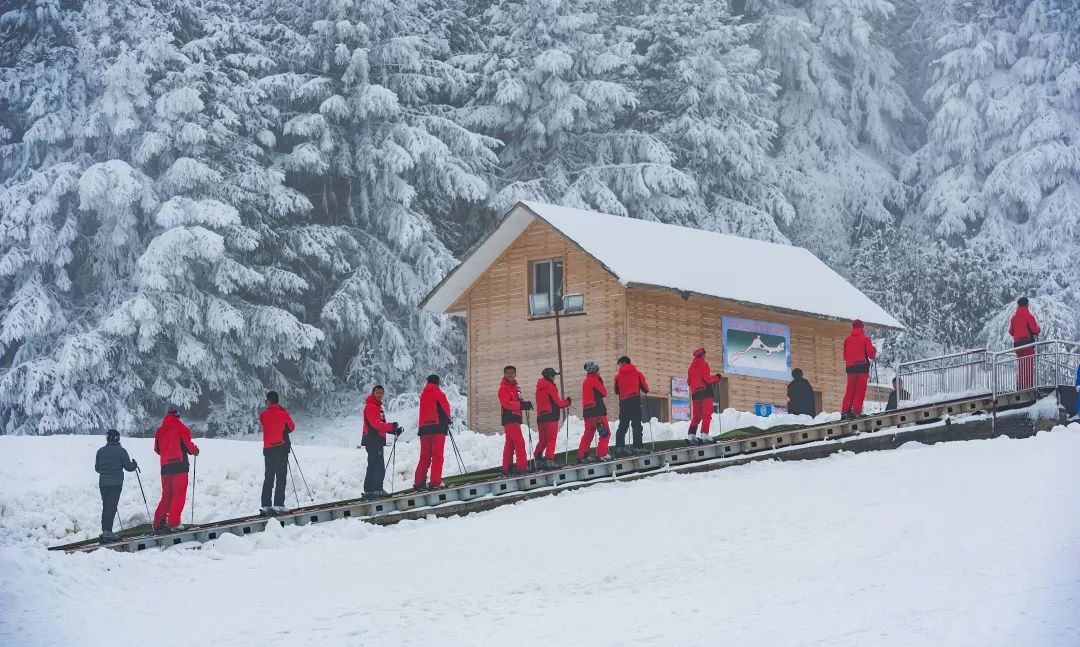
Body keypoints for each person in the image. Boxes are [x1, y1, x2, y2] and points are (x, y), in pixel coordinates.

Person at [153, 404, 199, 532]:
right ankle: (173, 523)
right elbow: (189, 447)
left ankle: (158, 523)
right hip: (179, 466)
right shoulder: (181, 428)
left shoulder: (160, 431)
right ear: (178, 415)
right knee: (178, 496)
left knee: (166, 496)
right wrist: (195, 451)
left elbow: (157, 450)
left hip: (165, 468)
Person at [94, 429, 138, 543]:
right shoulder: (121, 451)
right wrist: (135, 464)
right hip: (115, 483)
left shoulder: (100, 451)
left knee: (107, 507)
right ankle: (107, 532)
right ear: (117, 438)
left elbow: (97, 469)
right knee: (111, 507)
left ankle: (106, 531)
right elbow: (128, 467)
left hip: (103, 484)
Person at [258, 391, 296, 515]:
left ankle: (266, 505)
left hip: (268, 449)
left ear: (269, 401)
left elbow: (265, 423)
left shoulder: (263, 415)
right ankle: (279, 504)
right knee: (280, 477)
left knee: (268, 477)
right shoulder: (283, 413)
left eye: (266, 401)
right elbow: (291, 427)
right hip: (281, 448)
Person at [362, 385, 402, 500]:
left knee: (373, 465)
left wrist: (393, 430)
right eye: (377, 393)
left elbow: (380, 426)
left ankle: (370, 490)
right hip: (373, 439)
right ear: (373, 393)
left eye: (381, 393)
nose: (379, 395)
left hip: (374, 439)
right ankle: (377, 489)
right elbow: (376, 425)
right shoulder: (371, 407)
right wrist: (391, 427)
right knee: (378, 466)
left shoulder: (377, 407)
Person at [415, 375, 451, 490]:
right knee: (437, 456)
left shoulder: (423, 395)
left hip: (424, 430)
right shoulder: (439, 394)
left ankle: (418, 483)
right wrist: (448, 421)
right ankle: (435, 482)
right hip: (437, 429)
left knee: (424, 457)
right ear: (438, 383)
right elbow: (446, 409)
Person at [534, 367, 571, 469]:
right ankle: (549, 460)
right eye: (554, 375)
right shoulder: (550, 386)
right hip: (551, 417)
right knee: (551, 440)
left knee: (543, 441)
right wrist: (567, 402)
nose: (554, 377)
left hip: (541, 418)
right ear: (550, 376)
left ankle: (537, 460)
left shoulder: (539, 388)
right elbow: (558, 403)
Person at [498, 366, 532, 475]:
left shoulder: (516, 387)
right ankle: (522, 467)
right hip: (510, 417)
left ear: (515, 374)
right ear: (504, 374)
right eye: (507, 373)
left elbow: (518, 401)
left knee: (510, 443)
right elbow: (506, 404)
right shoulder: (503, 388)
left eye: (512, 373)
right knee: (519, 442)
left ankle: (507, 468)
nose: (510, 375)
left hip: (515, 418)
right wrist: (521, 405)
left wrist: (525, 404)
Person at [613, 356, 649, 456]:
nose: (619, 366)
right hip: (635, 401)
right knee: (636, 425)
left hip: (624, 403)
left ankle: (620, 448)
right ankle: (637, 447)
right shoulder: (637, 374)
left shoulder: (618, 377)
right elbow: (645, 388)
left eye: (619, 364)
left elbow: (616, 391)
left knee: (623, 426)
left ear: (622, 363)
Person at [841, 320, 877, 420]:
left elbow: (845, 356)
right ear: (862, 328)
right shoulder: (865, 339)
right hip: (862, 367)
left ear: (853, 328)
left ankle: (845, 411)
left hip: (850, 368)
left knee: (850, 390)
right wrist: (873, 350)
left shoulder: (847, 340)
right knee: (859, 391)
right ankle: (856, 412)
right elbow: (871, 355)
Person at [578, 361, 611, 463]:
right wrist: (600, 380)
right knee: (605, 434)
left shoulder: (585, 381)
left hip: (587, 414)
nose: (599, 372)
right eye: (598, 370)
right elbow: (604, 392)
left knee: (588, 435)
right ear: (595, 371)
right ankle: (602, 455)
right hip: (598, 413)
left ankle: (582, 456)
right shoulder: (594, 380)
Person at [686, 348, 721, 444]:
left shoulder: (691, 368)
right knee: (706, 415)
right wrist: (717, 377)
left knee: (696, 416)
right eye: (705, 355)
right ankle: (704, 434)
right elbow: (707, 379)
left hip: (695, 395)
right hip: (706, 393)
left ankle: (691, 435)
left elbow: (689, 382)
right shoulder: (704, 366)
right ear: (702, 355)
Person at [1009, 297, 1041, 390]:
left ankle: (1020, 385)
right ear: (1027, 305)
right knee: (1028, 366)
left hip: (1018, 346)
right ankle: (1028, 387)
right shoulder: (1029, 316)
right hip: (1028, 345)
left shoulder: (1013, 318)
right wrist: (1038, 329)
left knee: (1021, 366)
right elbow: (1035, 330)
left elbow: (1011, 332)